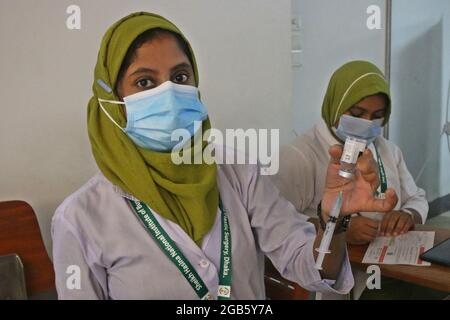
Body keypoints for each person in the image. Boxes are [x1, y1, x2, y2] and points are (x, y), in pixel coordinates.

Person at [51, 14, 397, 300]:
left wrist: (334, 219)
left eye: (180, 76)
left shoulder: (238, 172)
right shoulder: (81, 218)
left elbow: (310, 267)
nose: (168, 92)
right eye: (144, 83)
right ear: (111, 101)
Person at [272, 60, 428, 299]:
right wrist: (338, 228)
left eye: (377, 117)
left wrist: (408, 215)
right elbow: (277, 221)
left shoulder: (386, 149)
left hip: (391, 266)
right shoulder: (300, 155)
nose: (366, 124)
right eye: (356, 114)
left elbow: (416, 197)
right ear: (335, 105)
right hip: (335, 277)